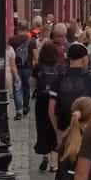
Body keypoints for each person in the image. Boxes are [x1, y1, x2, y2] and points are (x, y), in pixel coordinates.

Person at [49, 43, 91, 143]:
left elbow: (51, 109)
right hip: (88, 130)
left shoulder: (58, 79)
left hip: (64, 129)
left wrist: (57, 132)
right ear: (84, 59)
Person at [34, 40, 61, 172]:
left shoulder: (38, 67)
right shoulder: (59, 67)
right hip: (54, 100)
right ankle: (53, 163)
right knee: (54, 128)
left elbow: (32, 83)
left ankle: (44, 155)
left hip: (41, 100)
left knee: (42, 128)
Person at [9, 22, 32, 116]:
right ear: (27, 28)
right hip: (27, 68)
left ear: (18, 28)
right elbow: (35, 55)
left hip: (15, 67)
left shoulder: (12, 40)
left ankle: (19, 110)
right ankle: (26, 107)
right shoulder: (31, 41)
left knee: (17, 88)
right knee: (26, 87)